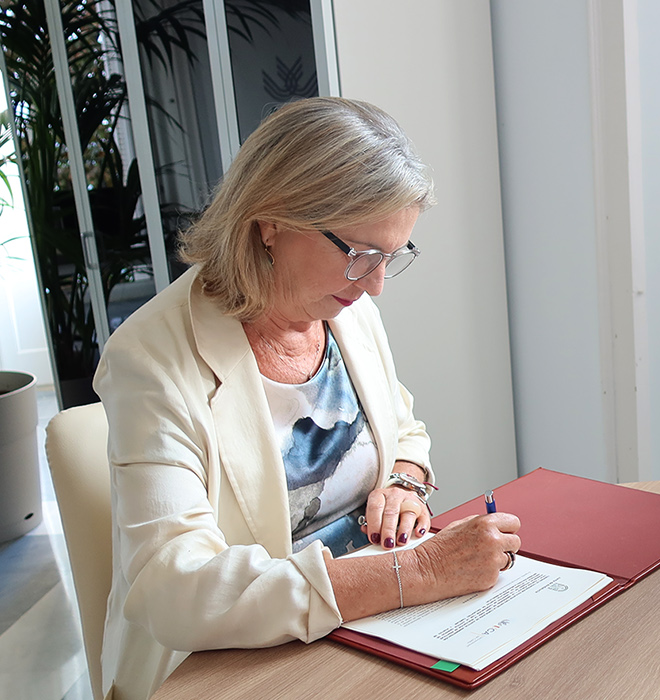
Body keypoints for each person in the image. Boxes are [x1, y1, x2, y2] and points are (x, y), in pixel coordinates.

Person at [93, 97, 521, 699]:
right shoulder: (150, 359)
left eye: (391, 257)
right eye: (361, 254)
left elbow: (404, 427)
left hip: (369, 628)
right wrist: (417, 571)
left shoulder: (343, 306)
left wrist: (405, 480)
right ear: (271, 220)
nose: (376, 285)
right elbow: (173, 587)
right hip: (228, 667)